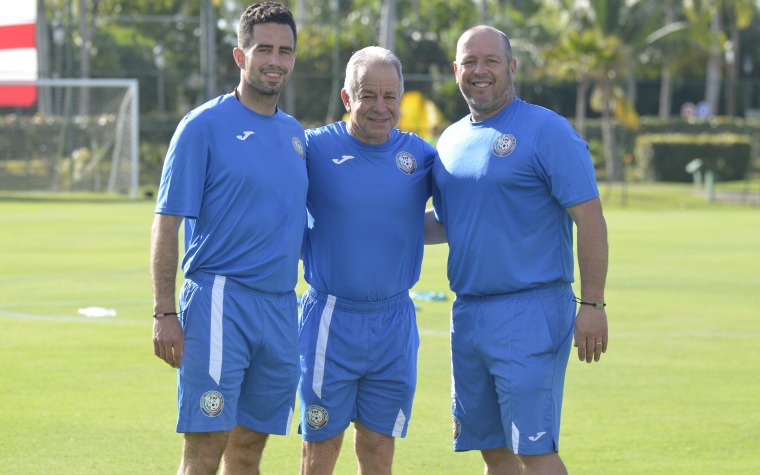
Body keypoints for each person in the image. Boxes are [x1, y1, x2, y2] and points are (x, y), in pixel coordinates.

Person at [427, 25, 609, 474]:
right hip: (468, 314)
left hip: (530, 310)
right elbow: (448, 222)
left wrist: (593, 303)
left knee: (534, 449)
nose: (479, 70)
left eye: (490, 61)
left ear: (511, 67)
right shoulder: (449, 141)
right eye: (469, 61)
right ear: (456, 70)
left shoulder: (547, 130)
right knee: (494, 450)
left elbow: (589, 218)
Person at [150, 3, 306, 473]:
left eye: (285, 50)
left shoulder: (296, 134)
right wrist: (164, 312)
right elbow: (166, 222)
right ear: (240, 55)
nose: (275, 60)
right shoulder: (203, 126)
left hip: (280, 307)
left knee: (249, 448)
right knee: (206, 446)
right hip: (220, 302)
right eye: (264, 49)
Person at [297, 46, 436, 474]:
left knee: (378, 447)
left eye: (389, 96)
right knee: (321, 446)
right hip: (330, 319)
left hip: (393, 322)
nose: (380, 107)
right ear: (346, 97)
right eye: (367, 95)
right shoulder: (314, 148)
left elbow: (454, 217)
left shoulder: (422, 157)